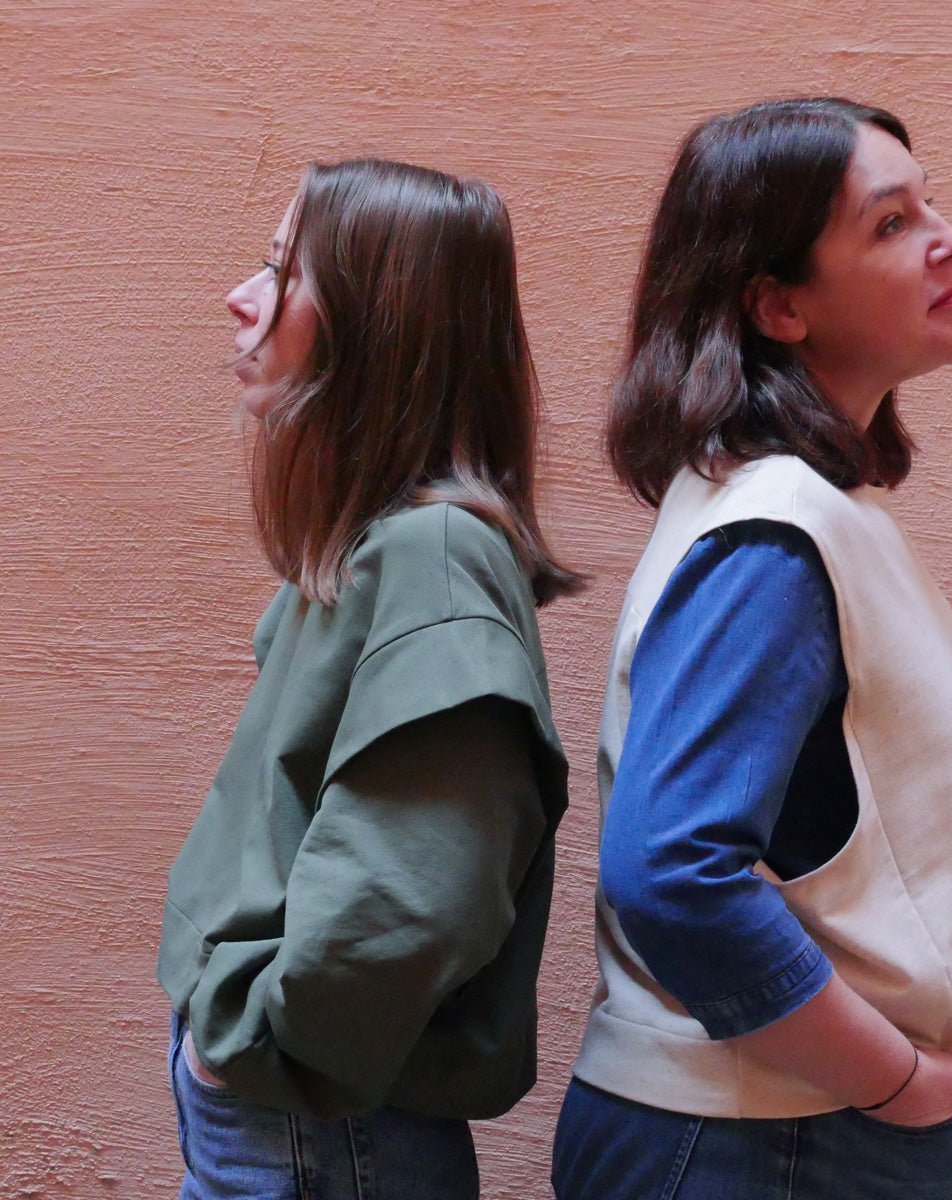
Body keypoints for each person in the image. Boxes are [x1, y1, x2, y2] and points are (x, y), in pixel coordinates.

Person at [552, 98, 952, 1200]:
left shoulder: (786, 509)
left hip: (778, 1133)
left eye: (931, 204)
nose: (949, 238)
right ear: (778, 305)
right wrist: (895, 1081)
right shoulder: (776, 532)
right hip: (774, 1141)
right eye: (892, 222)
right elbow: (670, 874)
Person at [157, 158, 579, 1200]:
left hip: (316, 1129)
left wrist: (252, 1048)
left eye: (282, 272)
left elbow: (413, 897)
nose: (241, 299)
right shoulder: (381, 546)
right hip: (300, 1120)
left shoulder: (436, 554)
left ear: (378, 324)